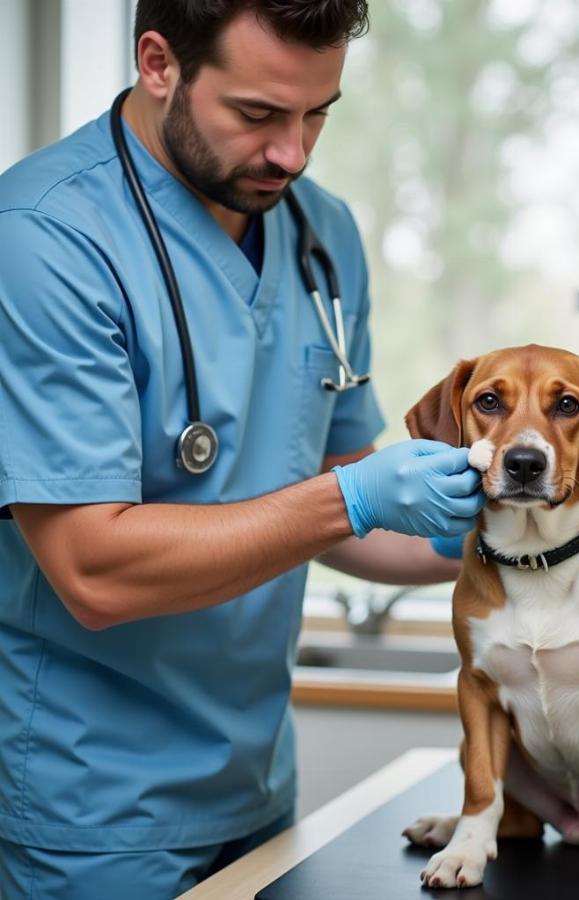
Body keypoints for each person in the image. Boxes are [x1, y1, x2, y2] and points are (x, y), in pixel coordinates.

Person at [0, 2, 484, 897]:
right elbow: (93, 570)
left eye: (319, 114)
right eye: (259, 115)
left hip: (256, 787)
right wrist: (353, 498)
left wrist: (495, 532)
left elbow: (332, 496)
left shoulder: (320, 235)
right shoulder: (44, 237)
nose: (292, 154)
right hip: (95, 806)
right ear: (158, 63)